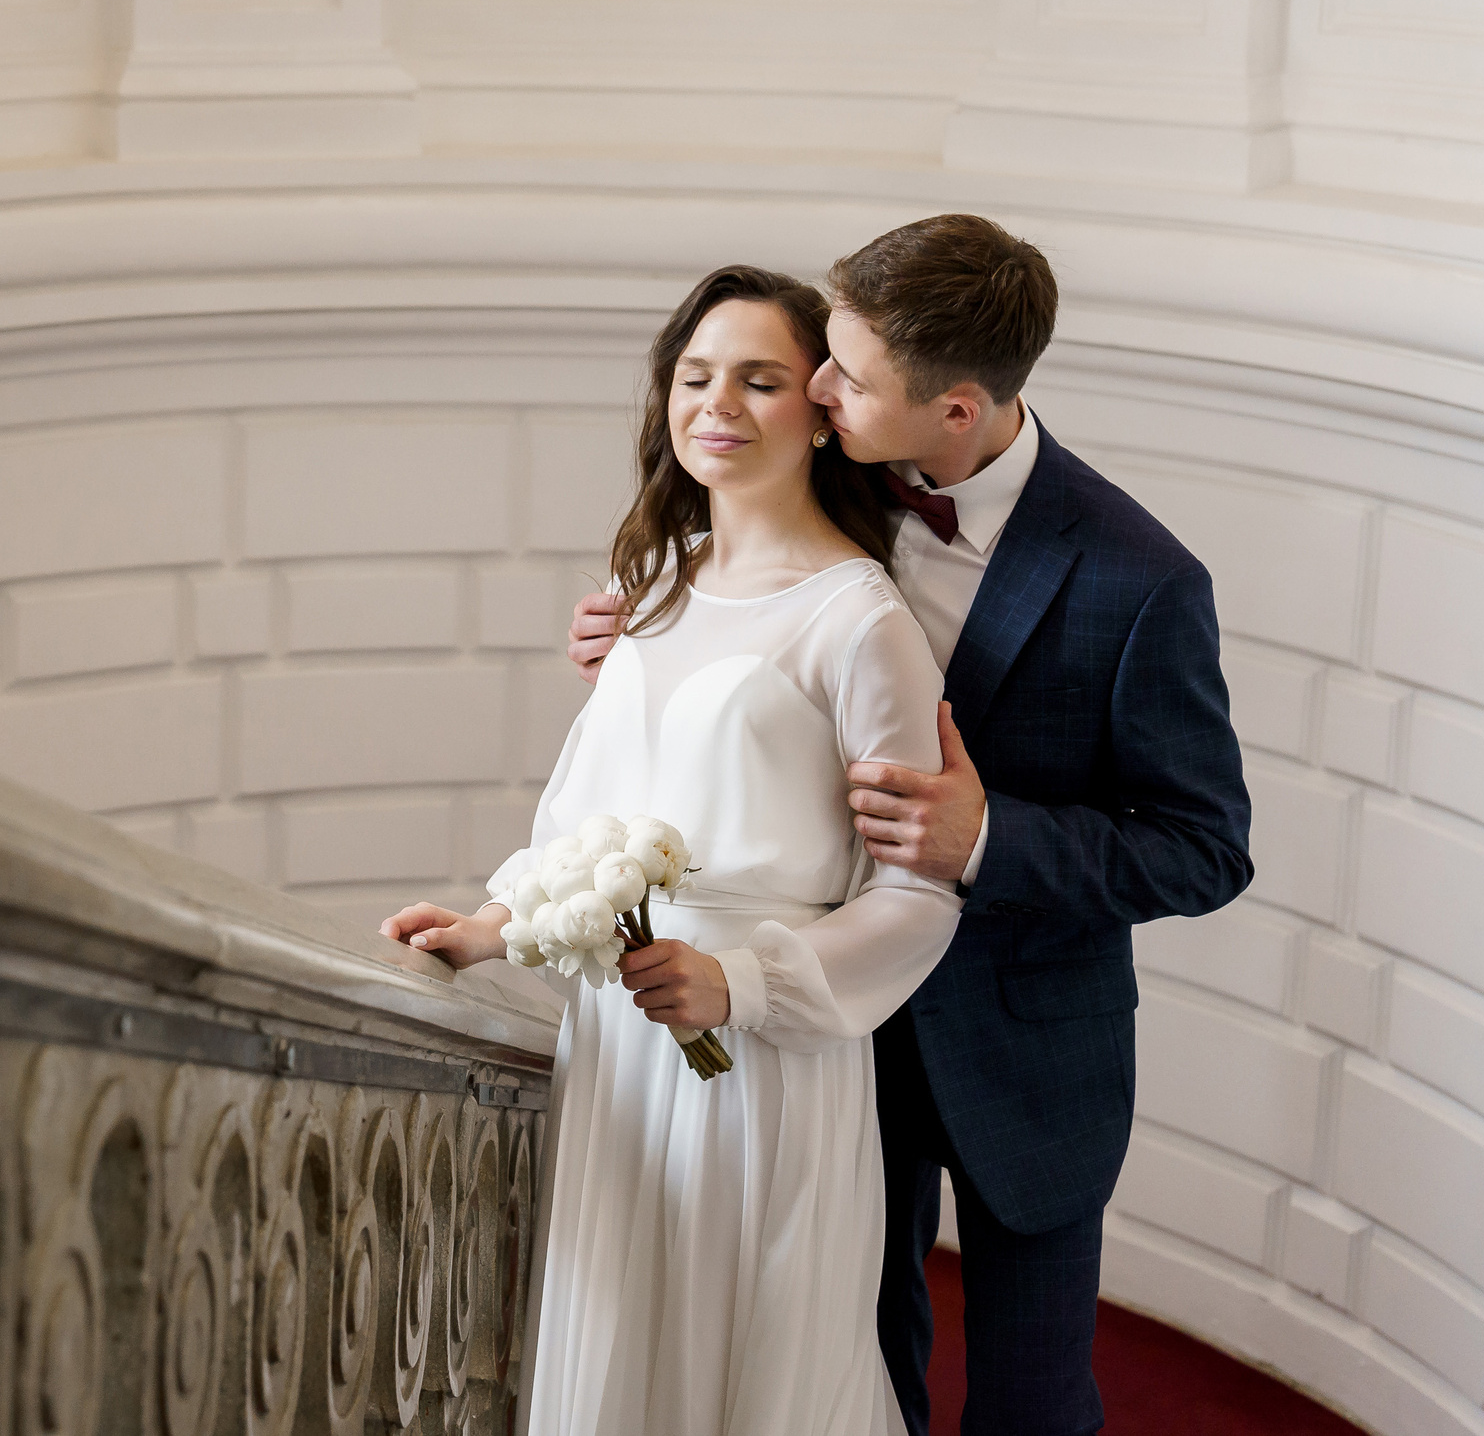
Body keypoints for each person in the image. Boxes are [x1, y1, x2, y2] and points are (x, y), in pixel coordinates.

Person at [566, 215, 1254, 1436]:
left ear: (957, 410)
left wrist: (987, 840)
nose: (819, 388)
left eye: (849, 375)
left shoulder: (1144, 580)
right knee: (849, 1359)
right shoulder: (840, 473)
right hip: (832, 1039)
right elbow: (752, 603)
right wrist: (654, 641)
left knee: (1032, 1402)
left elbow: (1202, 848)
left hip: (1025, 1053)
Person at [385, 265, 966, 1436]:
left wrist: (738, 987)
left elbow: (917, 896)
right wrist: (494, 926)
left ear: (819, 409)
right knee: (617, 1351)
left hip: (762, 1057)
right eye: (695, 377)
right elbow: (590, 822)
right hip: (621, 1045)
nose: (719, 405)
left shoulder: (862, 621)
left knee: (748, 1356)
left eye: (759, 379)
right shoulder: (649, 584)